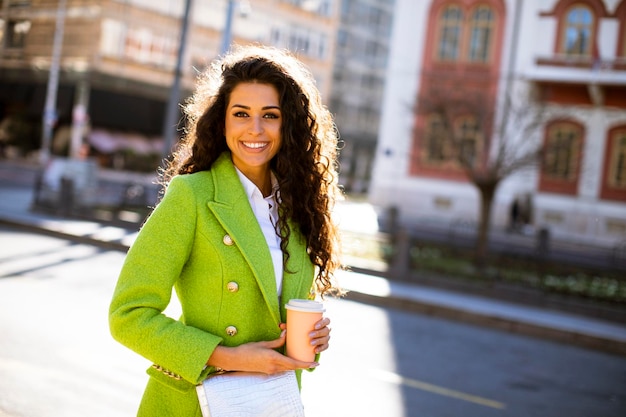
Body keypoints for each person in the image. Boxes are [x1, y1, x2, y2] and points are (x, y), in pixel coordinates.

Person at [108, 44, 343, 416]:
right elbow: (129, 315)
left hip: (270, 402)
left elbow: (278, 309)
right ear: (222, 121)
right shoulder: (193, 196)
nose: (255, 129)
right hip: (196, 401)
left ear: (289, 124)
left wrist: (314, 336)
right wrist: (228, 356)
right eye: (241, 114)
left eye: (270, 115)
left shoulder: (298, 206)